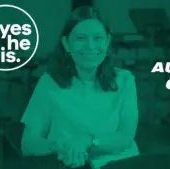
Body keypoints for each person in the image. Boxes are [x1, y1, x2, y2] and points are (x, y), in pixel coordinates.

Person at [20, 5, 140, 169]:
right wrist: (59, 146)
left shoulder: (125, 80)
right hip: (70, 164)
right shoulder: (49, 82)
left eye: (98, 38)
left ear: (108, 42)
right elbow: (28, 143)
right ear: (66, 44)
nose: (90, 46)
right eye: (81, 38)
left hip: (120, 164)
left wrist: (87, 141)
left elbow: (125, 137)